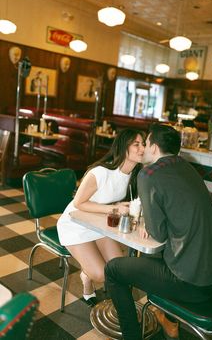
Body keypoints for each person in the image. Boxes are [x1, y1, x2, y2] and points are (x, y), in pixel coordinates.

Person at [105, 124, 212, 340]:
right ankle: (165, 318)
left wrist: (148, 224)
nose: (143, 148)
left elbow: (158, 234)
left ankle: (132, 336)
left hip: (191, 284)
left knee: (113, 270)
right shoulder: (187, 167)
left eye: (146, 143)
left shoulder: (149, 174)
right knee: (155, 258)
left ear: (153, 147)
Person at [57, 128, 145, 306]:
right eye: (136, 144)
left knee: (118, 268)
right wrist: (114, 208)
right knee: (100, 274)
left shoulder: (134, 176)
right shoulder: (100, 172)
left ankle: (89, 272)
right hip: (75, 225)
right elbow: (78, 203)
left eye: (143, 144)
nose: (142, 148)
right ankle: (86, 277)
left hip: (99, 225)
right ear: (123, 147)